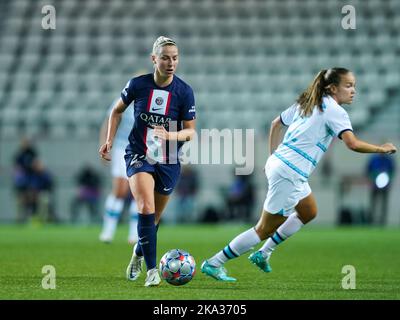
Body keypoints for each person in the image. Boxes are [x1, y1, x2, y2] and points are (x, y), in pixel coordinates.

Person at [201, 67, 397, 282]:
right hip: (290, 172)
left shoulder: (308, 102)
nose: (353, 91)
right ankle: (214, 263)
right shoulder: (335, 111)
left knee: (308, 211)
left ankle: (263, 253)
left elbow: (276, 124)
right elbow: (352, 144)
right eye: (348, 85)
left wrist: (272, 157)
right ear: (333, 88)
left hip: (283, 166)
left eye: (354, 86)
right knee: (263, 229)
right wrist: (381, 149)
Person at [99, 36, 196, 287]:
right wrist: (109, 140)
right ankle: (153, 271)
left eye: (175, 58)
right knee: (144, 207)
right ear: (154, 59)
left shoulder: (184, 91)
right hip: (138, 154)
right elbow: (116, 110)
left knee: (153, 220)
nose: (171, 62)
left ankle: (138, 254)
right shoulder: (137, 85)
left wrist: (169, 135)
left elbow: (190, 132)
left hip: (169, 159)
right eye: (165, 57)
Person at [99, 99, 139, 244]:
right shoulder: (123, 101)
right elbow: (109, 121)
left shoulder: (151, 103)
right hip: (122, 148)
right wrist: (105, 143)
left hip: (142, 150)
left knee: (138, 192)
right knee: (120, 191)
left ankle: (134, 233)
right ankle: (108, 230)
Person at [366, 152, 396, 225]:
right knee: (373, 203)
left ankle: (382, 221)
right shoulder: (374, 159)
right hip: (374, 184)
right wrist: (371, 178)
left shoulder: (389, 160)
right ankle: (371, 220)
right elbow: (368, 169)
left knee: (384, 203)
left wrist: (389, 179)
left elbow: (392, 170)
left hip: (386, 185)